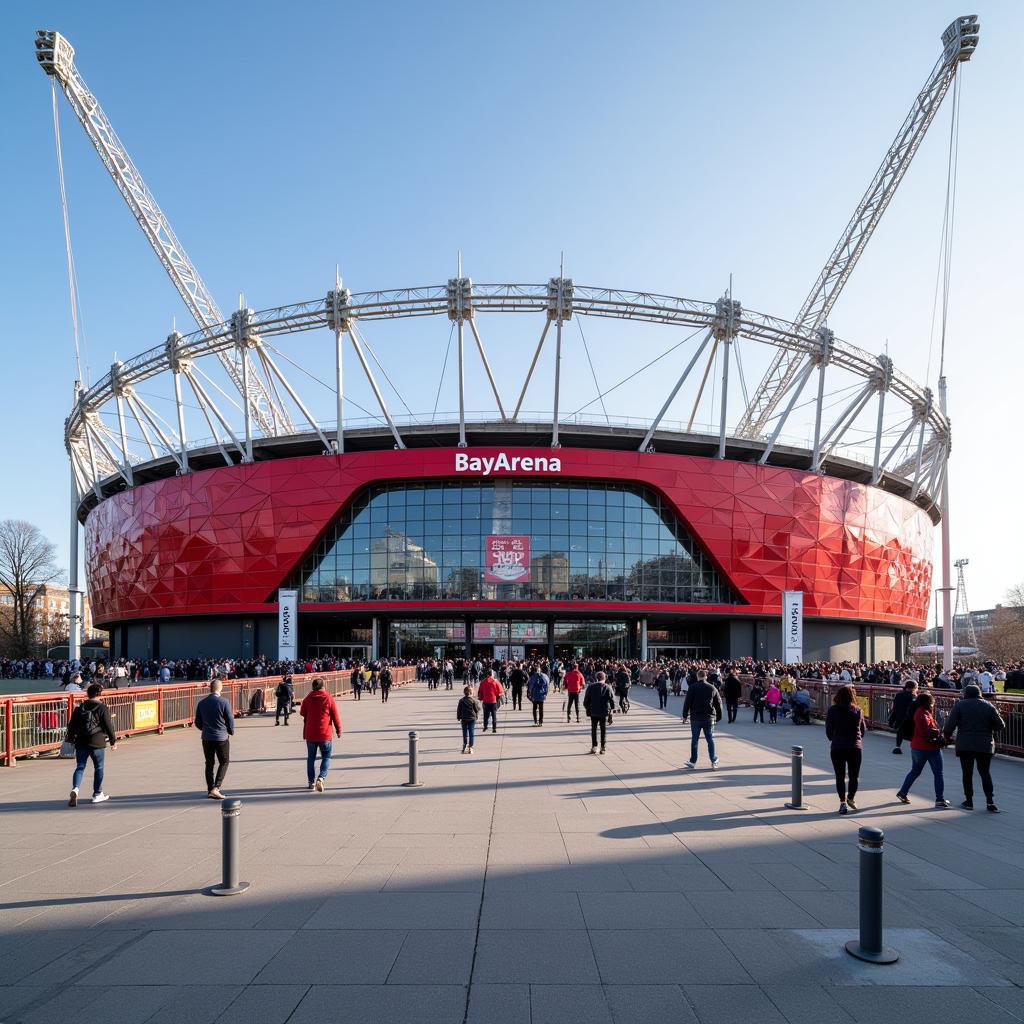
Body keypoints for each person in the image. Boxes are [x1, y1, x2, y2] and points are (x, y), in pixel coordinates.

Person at [942, 684, 1005, 812]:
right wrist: (989, 728)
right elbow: (1001, 725)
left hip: (965, 744)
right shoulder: (988, 705)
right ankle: (990, 802)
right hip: (985, 744)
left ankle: (969, 801)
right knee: (985, 773)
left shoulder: (960, 705)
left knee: (967, 773)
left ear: (966, 694)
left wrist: (946, 738)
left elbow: (949, 725)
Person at [896, 691, 950, 808]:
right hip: (929, 747)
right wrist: (938, 731)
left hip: (918, 747)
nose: (933, 704)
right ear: (928, 703)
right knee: (938, 773)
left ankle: (903, 792)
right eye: (932, 702)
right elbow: (924, 731)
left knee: (915, 771)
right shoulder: (922, 714)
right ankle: (939, 799)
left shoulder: (918, 712)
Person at [66, 682, 117, 806]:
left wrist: (71, 739)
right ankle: (97, 794)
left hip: (81, 741)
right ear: (100, 694)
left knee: (80, 767)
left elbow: (71, 726)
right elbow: (108, 726)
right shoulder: (102, 708)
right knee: (98, 767)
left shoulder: (79, 708)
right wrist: (113, 741)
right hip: (97, 741)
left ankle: (75, 789)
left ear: (87, 694)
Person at [825, 684, 865, 814]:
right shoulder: (858, 710)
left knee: (839, 776)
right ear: (852, 696)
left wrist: (834, 738)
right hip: (854, 747)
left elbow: (829, 731)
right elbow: (863, 730)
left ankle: (842, 802)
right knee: (854, 776)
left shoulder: (832, 710)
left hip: (838, 747)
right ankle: (851, 798)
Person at [194, 679, 235, 800]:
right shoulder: (224, 702)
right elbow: (230, 719)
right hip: (221, 737)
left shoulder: (202, 703)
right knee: (224, 761)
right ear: (220, 688)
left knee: (209, 763)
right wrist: (230, 730)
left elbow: (197, 722)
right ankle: (216, 788)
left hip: (206, 737)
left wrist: (205, 729)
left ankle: (210, 789)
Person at [300, 678, 342, 791]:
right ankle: (321, 778)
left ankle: (311, 782)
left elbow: (302, 712)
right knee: (326, 757)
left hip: (310, 733)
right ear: (323, 686)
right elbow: (335, 716)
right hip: (325, 733)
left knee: (311, 758)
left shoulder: (308, 698)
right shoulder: (328, 697)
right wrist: (338, 730)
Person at [682, 669, 723, 769]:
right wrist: (719, 717)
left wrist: (685, 715)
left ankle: (693, 761)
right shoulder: (712, 688)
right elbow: (718, 703)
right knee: (710, 739)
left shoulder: (692, 688)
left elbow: (687, 702)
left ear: (697, 676)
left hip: (695, 717)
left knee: (694, 739)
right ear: (706, 676)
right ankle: (713, 760)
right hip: (709, 717)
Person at [584, 670, 616, 754]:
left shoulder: (591, 686)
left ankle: (594, 746)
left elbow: (586, 700)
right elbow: (612, 700)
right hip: (604, 711)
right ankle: (603, 747)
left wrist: (588, 708)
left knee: (594, 729)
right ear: (604, 678)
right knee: (603, 729)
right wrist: (612, 709)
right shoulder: (608, 687)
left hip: (593, 711)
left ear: (596, 678)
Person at [887, 678, 918, 755]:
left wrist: (892, 719)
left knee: (900, 732)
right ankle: (915, 748)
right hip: (910, 719)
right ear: (914, 688)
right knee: (913, 733)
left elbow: (895, 708)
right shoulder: (914, 697)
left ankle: (898, 747)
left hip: (900, 717)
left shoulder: (898, 695)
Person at [457, 684, 482, 754]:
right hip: (472, 719)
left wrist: (458, 717)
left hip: (464, 718)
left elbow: (459, 710)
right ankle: (471, 747)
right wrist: (477, 716)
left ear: (464, 693)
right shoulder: (473, 701)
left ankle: (465, 745)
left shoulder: (461, 700)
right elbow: (476, 710)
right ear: (471, 693)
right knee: (471, 733)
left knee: (465, 733)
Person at [477, 670, 504, 734]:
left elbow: (480, 692)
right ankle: (494, 728)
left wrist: (481, 697)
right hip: (493, 701)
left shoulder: (483, 682)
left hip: (485, 701)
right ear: (492, 674)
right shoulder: (495, 681)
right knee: (494, 715)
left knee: (485, 715)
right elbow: (500, 691)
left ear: (487, 675)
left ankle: (485, 727)